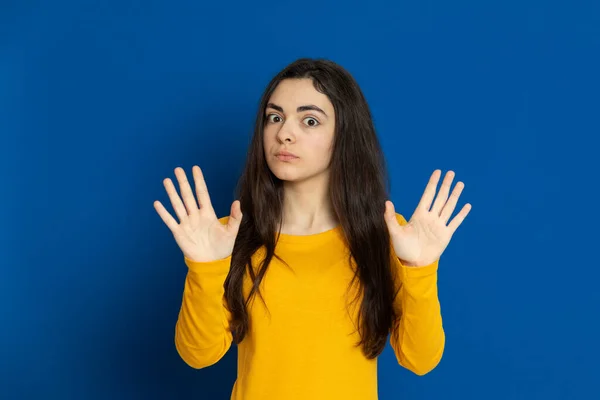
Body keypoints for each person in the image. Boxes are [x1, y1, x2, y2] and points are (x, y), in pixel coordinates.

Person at [153, 58, 472, 399]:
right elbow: (197, 354)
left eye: (309, 121)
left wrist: (420, 270)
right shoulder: (226, 235)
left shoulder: (391, 236)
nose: (284, 133)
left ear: (345, 135)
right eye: (274, 117)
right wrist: (204, 269)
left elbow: (420, 359)